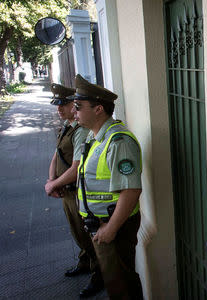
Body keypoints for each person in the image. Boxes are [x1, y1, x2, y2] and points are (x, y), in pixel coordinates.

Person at [71, 74, 143, 299]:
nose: (75, 112)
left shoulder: (118, 141)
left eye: (78, 107)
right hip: (101, 225)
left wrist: (111, 229)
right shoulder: (97, 138)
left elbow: (131, 190)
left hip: (114, 228)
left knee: (122, 285)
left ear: (98, 109)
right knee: (114, 282)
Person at [45, 83, 104, 298]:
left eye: (65, 104)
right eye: (57, 105)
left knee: (85, 235)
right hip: (65, 190)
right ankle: (85, 262)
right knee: (76, 232)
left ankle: (98, 275)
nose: (59, 109)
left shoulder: (80, 131)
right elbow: (56, 155)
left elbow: (77, 166)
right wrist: (51, 180)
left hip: (75, 190)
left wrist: (54, 184)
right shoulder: (68, 126)